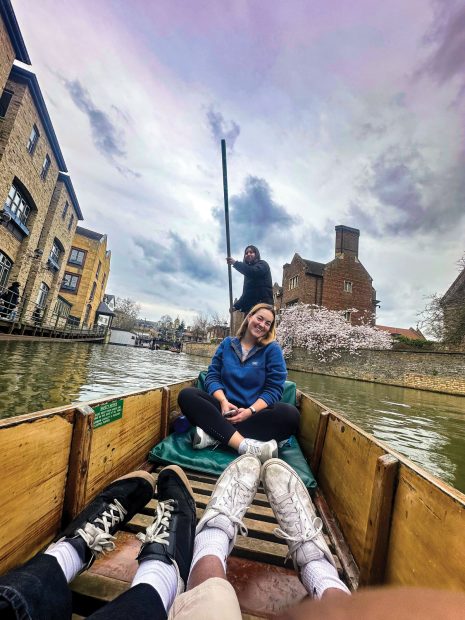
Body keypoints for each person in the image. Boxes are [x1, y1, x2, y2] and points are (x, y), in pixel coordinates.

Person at [2, 457, 458, 620]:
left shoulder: (275, 355)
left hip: (256, 419)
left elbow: (279, 398)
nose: (260, 323)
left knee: (12, 601)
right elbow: (209, 382)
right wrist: (222, 403)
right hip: (229, 419)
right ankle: (315, 564)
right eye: (256, 317)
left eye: (267, 319)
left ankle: (206, 537)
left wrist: (254, 409)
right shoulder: (226, 349)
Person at [178, 303, 300, 462]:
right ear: (250, 317)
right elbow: (212, 376)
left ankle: (215, 436)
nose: (262, 325)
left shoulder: (272, 349)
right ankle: (243, 445)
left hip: (254, 414)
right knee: (187, 395)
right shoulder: (227, 344)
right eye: (260, 318)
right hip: (222, 411)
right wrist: (223, 401)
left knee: (291, 416)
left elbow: (274, 389)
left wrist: (250, 411)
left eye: (267, 323)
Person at [227, 245, 273, 314]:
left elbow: (253, 272)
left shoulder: (263, 264)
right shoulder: (248, 274)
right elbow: (246, 294)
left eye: (251, 252)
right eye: (246, 253)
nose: (248, 254)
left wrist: (235, 263)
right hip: (250, 310)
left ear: (256, 254)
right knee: (246, 324)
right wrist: (235, 306)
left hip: (262, 306)